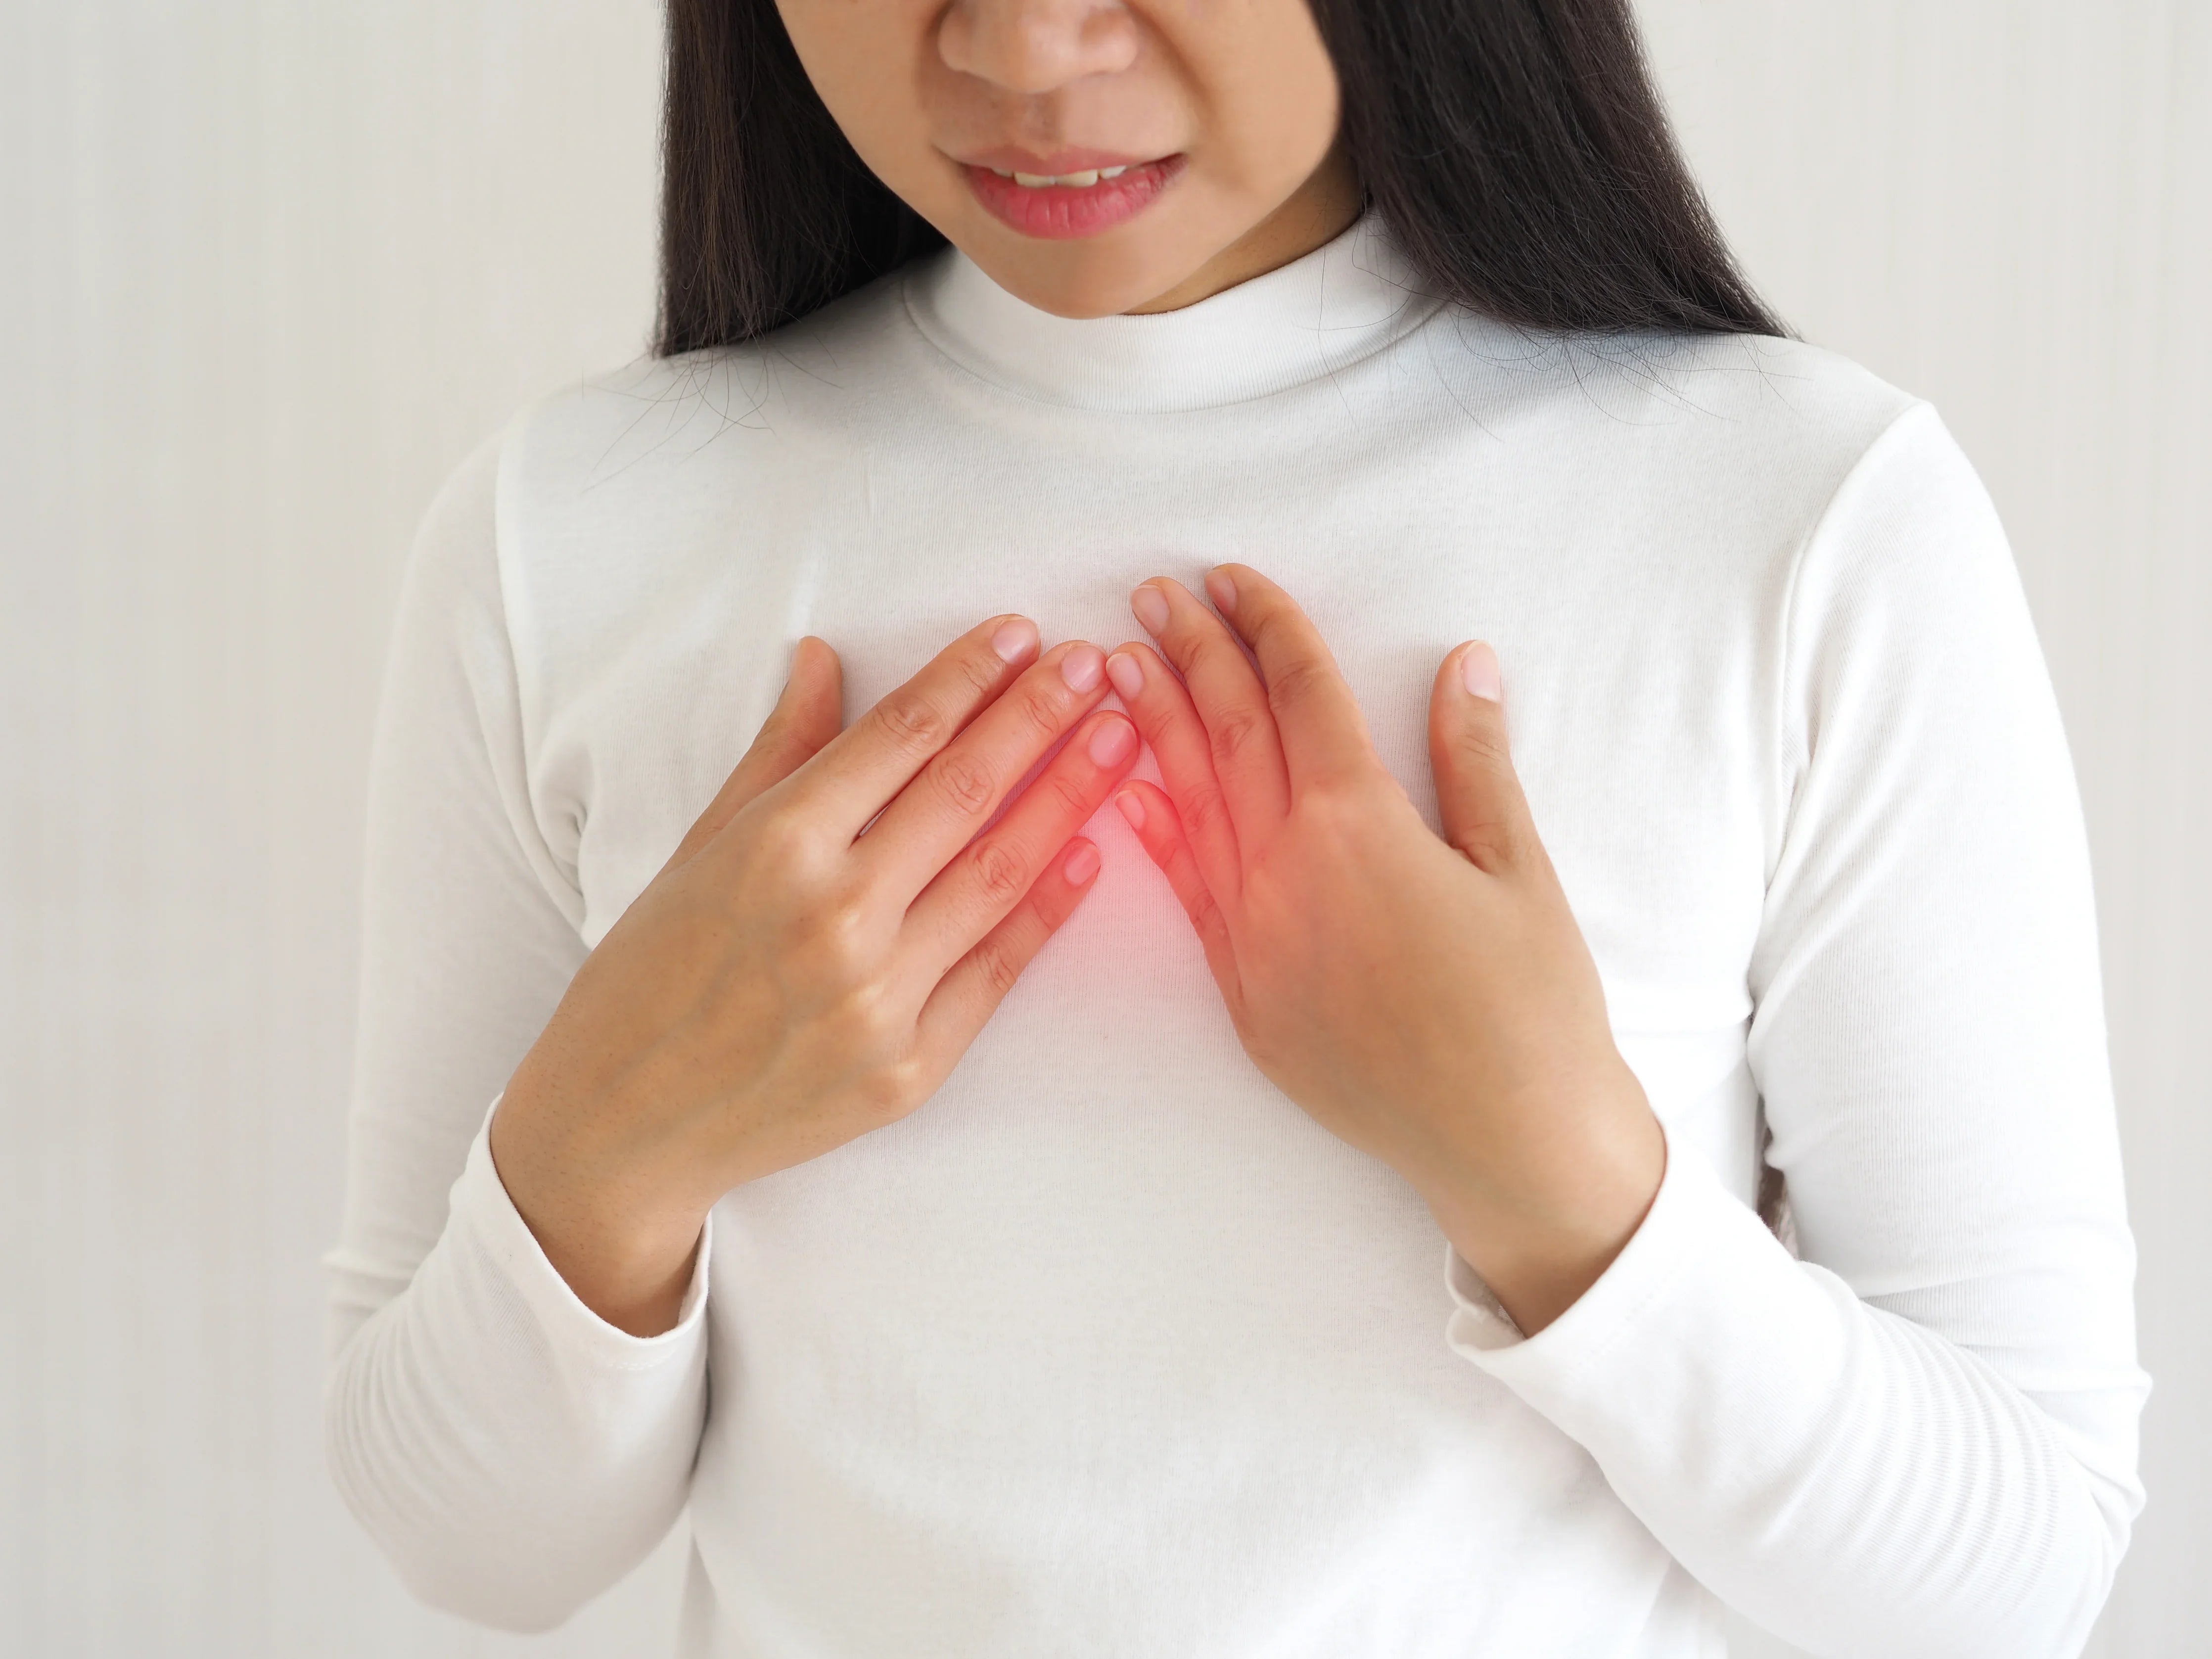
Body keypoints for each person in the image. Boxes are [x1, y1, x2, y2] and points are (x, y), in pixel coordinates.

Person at [322, 0, 2150, 1653]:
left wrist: (1560, 1181)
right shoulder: (573, 536)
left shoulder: (1800, 522)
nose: (1029, 49)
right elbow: (478, 1549)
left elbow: (2017, 1578)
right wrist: (613, 1147)